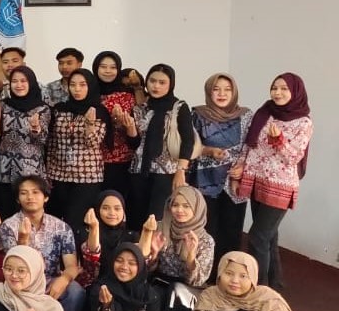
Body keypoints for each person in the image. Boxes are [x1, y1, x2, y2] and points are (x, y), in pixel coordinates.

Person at [231, 73, 312, 290]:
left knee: (257, 237)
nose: (277, 93)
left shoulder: (303, 122)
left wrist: (279, 140)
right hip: (257, 180)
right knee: (269, 236)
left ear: (296, 92)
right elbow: (249, 144)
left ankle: (258, 289)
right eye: (274, 88)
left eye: (284, 89)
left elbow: (294, 156)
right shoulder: (265, 112)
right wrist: (239, 170)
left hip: (280, 187)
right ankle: (275, 283)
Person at [0, 176, 83, 311]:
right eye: (24, 193)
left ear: (46, 197)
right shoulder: (9, 226)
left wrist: (63, 280)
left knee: (75, 291)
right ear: (17, 199)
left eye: (35, 192)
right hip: (21, 281)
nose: (30, 197)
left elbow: (72, 266)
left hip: (50, 281)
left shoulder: (61, 227)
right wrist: (23, 239)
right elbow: (14, 265)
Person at [191, 73, 252, 279]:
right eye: (216, 89)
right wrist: (209, 150)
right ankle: (206, 276)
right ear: (209, 92)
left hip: (234, 180)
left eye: (227, 89)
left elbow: (251, 146)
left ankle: (229, 277)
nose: (222, 94)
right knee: (208, 229)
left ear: (234, 92)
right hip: (205, 179)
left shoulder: (246, 115)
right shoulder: (198, 114)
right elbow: (190, 146)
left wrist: (241, 167)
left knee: (232, 229)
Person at [122, 63, 193, 224]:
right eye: (152, 81)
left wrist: (181, 170)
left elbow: (188, 140)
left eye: (162, 82)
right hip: (139, 170)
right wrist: (130, 128)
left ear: (171, 84)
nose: (156, 86)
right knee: (136, 218)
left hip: (166, 173)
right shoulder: (141, 107)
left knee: (157, 218)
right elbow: (134, 144)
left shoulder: (178, 107)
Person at [143, 186, 214, 311]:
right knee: (153, 291)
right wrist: (154, 253)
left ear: (197, 208)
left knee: (175, 291)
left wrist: (191, 256)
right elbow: (145, 268)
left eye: (186, 206)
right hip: (160, 280)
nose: (179, 210)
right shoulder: (160, 228)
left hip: (188, 288)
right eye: (175, 205)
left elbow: (197, 281)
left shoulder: (205, 240)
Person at [46, 69, 108, 235]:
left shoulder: (98, 111)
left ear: (90, 86)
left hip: (87, 177)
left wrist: (89, 125)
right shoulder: (60, 109)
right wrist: (48, 172)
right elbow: (52, 143)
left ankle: (76, 252)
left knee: (75, 223)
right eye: (72, 85)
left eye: (82, 85)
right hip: (59, 175)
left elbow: (93, 143)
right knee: (55, 222)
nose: (77, 89)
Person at [0, 66, 49, 219]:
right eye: (14, 81)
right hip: (5, 167)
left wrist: (36, 128)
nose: (19, 85)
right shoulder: (3, 105)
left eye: (23, 81)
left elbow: (44, 139)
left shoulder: (42, 108)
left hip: (30, 168)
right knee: (6, 212)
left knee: (30, 213)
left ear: (31, 82)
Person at [94, 51, 136, 198]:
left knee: (118, 203)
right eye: (103, 66)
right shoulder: (89, 93)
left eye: (113, 67)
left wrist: (122, 123)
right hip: (93, 161)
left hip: (122, 161)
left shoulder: (127, 95)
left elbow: (136, 133)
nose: (108, 71)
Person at [76, 190, 135, 287]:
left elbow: (141, 266)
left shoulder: (131, 236)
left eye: (117, 209)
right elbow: (90, 262)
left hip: (124, 287)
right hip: (93, 287)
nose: (112, 213)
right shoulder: (84, 232)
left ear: (123, 211)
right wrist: (94, 228)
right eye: (105, 208)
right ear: (97, 210)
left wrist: (147, 233)